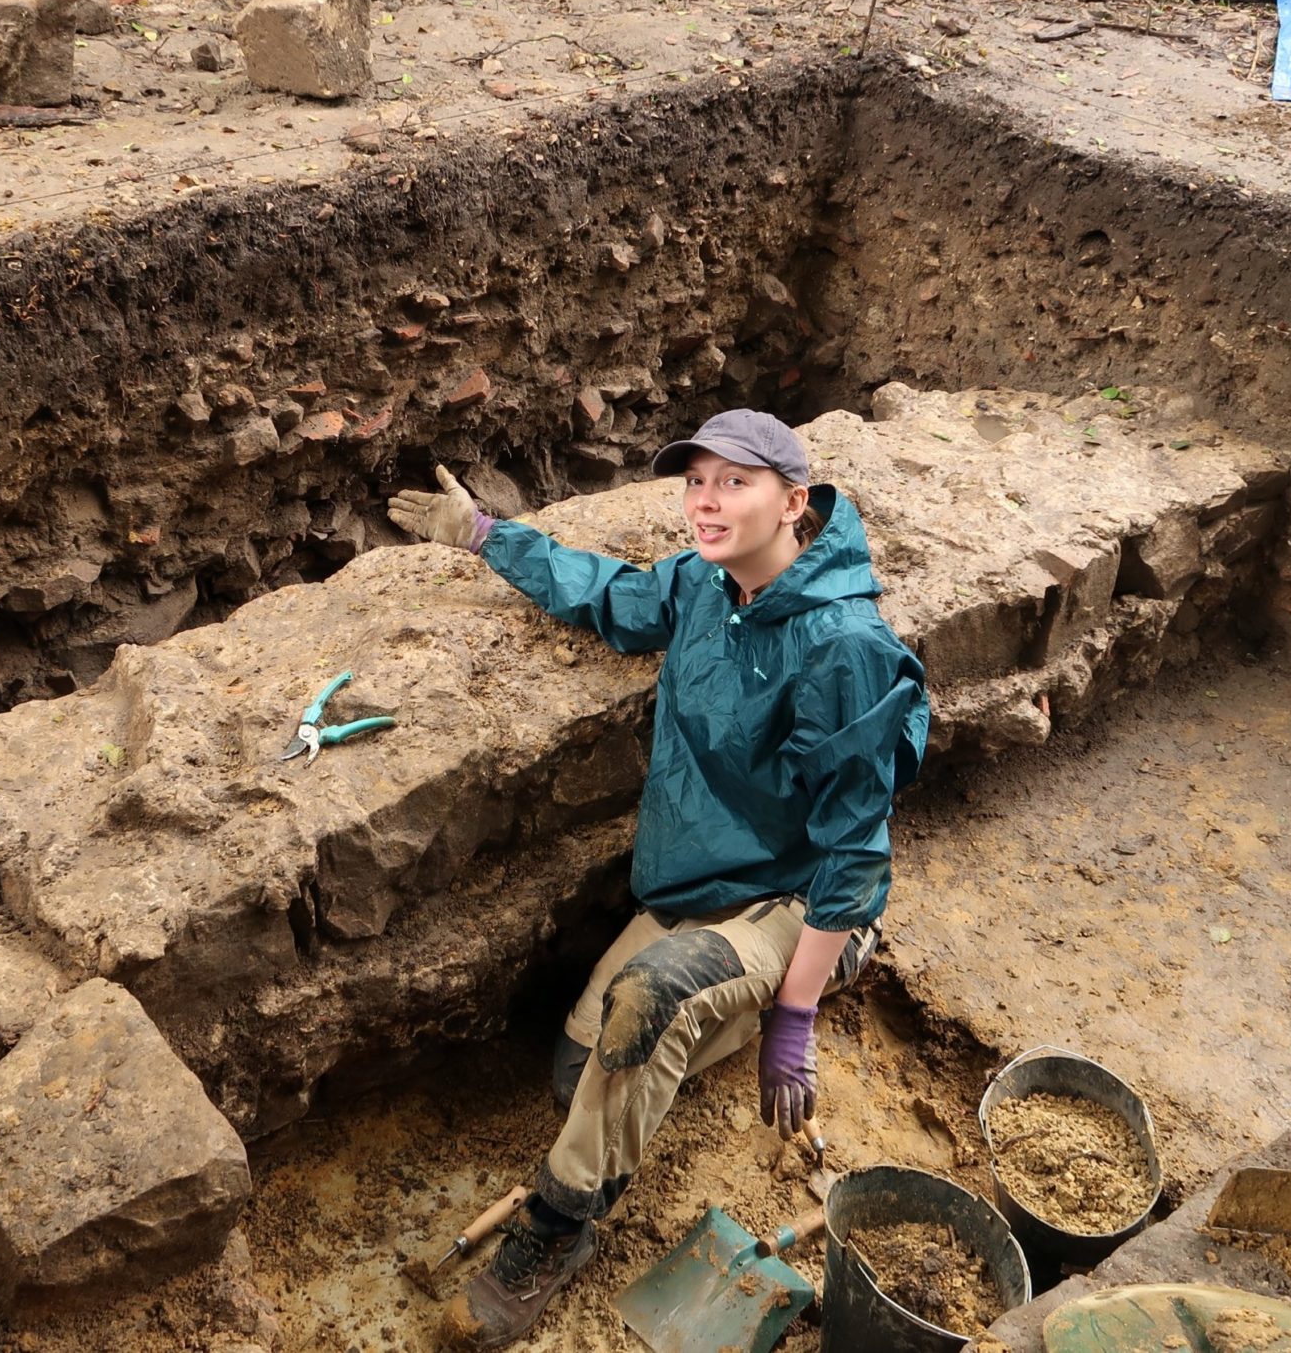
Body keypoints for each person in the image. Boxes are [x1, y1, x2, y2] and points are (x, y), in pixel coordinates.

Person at [387, 409, 930, 1351]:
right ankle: (714, 1010)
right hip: (698, 890)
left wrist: (795, 1014)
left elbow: (857, 850)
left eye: (736, 482)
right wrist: (483, 535)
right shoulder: (701, 584)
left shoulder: (845, 647)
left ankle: (555, 1234)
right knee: (579, 1077)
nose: (707, 502)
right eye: (696, 481)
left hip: (801, 904)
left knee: (651, 1001)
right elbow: (605, 595)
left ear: (795, 501)